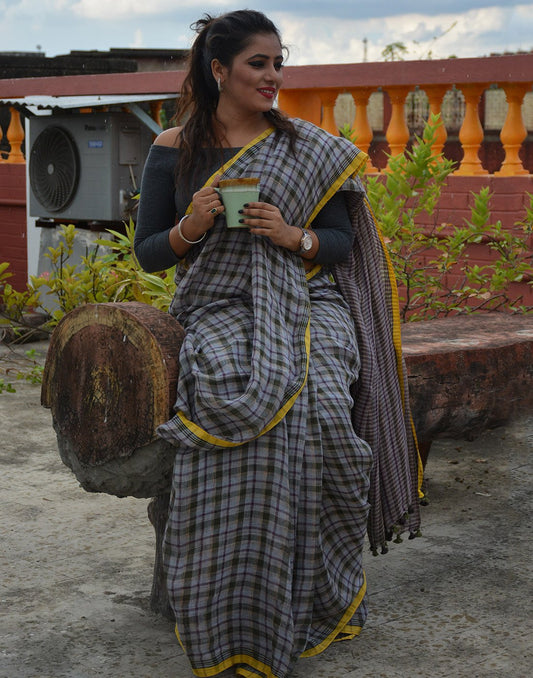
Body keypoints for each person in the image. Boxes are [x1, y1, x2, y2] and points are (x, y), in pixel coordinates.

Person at [134, 9, 422, 678]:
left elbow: (341, 243)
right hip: (219, 304)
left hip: (306, 300)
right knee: (226, 393)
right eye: (258, 64)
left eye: (278, 63)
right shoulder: (174, 148)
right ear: (218, 70)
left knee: (320, 409)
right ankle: (231, 606)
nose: (272, 76)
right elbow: (151, 254)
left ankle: (310, 597)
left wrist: (295, 237)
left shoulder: (306, 148)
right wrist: (193, 224)